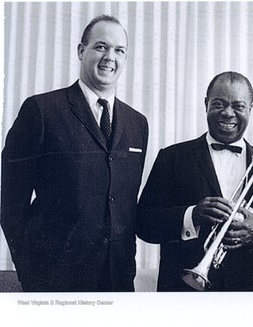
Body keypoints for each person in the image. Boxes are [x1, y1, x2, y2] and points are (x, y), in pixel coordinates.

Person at [1, 15, 149, 292]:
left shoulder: (137, 123)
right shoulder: (42, 110)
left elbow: (124, 204)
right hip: (54, 279)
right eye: (100, 46)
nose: (109, 57)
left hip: (117, 279)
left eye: (119, 50)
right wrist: (30, 269)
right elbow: (10, 201)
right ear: (82, 51)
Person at [137, 71, 253, 291]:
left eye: (238, 106)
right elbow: (143, 223)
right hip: (183, 292)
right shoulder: (172, 157)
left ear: (250, 109)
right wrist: (191, 215)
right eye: (219, 104)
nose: (228, 113)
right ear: (206, 104)